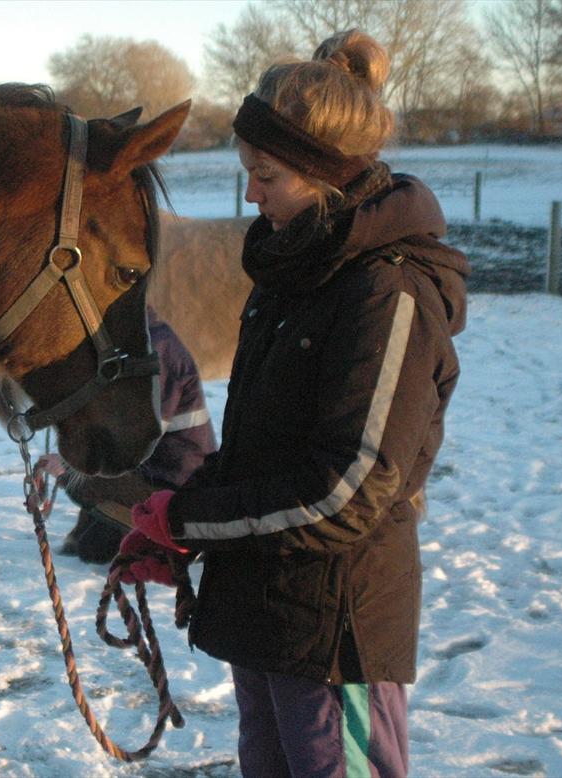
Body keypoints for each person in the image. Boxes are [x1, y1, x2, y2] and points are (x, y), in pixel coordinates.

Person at [121, 30, 470, 778]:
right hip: (267, 611)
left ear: (325, 175)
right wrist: (176, 528)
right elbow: (259, 450)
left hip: (333, 626)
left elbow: (348, 490)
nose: (251, 194)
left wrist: (190, 519)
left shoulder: (387, 292)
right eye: (247, 172)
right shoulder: (291, 274)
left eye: (267, 175)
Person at [39, 306, 216, 565]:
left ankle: (167, 538)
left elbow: (136, 438)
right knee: (91, 543)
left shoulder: (154, 350)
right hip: (162, 471)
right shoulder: (141, 341)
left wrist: (67, 469)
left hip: (175, 483)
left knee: (93, 544)